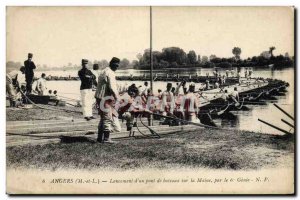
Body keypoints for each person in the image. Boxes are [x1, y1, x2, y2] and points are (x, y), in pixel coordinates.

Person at [95, 57, 121, 143]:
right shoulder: (110, 73)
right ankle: (106, 138)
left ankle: (99, 138)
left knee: (103, 118)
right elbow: (112, 87)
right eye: (116, 65)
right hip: (105, 98)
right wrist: (117, 98)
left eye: (118, 66)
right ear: (112, 64)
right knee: (107, 117)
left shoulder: (103, 71)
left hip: (99, 97)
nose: (117, 67)